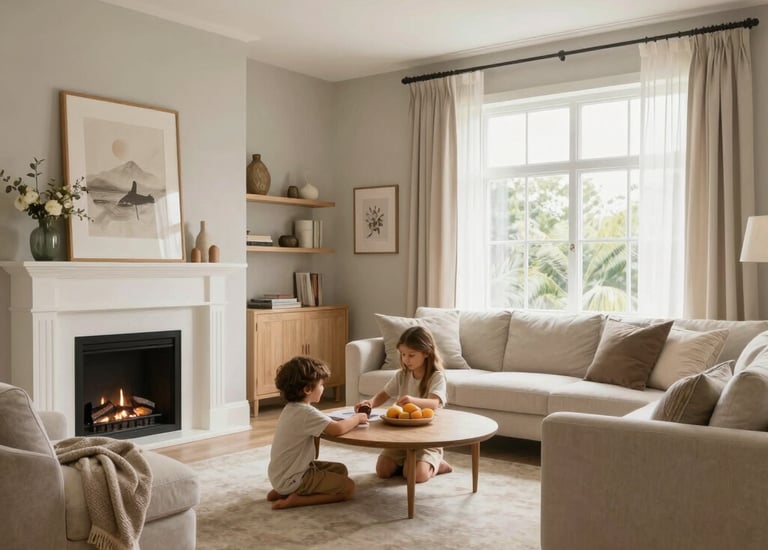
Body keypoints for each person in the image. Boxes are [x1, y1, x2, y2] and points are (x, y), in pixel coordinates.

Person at [267, 355, 369, 510]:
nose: (323, 388)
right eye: (321, 384)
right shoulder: (306, 413)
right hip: (295, 477)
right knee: (348, 488)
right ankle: (296, 499)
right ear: (307, 389)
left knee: (341, 470)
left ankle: (282, 491)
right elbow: (337, 429)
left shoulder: (292, 408)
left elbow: (324, 422)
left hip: (282, 474)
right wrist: (357, 418)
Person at [354, 325, 452, 483]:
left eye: (411, 355)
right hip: (402, 436)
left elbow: (434, 403)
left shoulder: (436, 377)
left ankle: (437, 464)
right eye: (403, 354)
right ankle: (409, 463)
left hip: (427, 438)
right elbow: (384, 394)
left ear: (426, 352)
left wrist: (413, 401)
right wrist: (370, 403)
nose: (406, 360)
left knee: (416, 477)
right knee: (383, 471)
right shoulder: (402, 375)